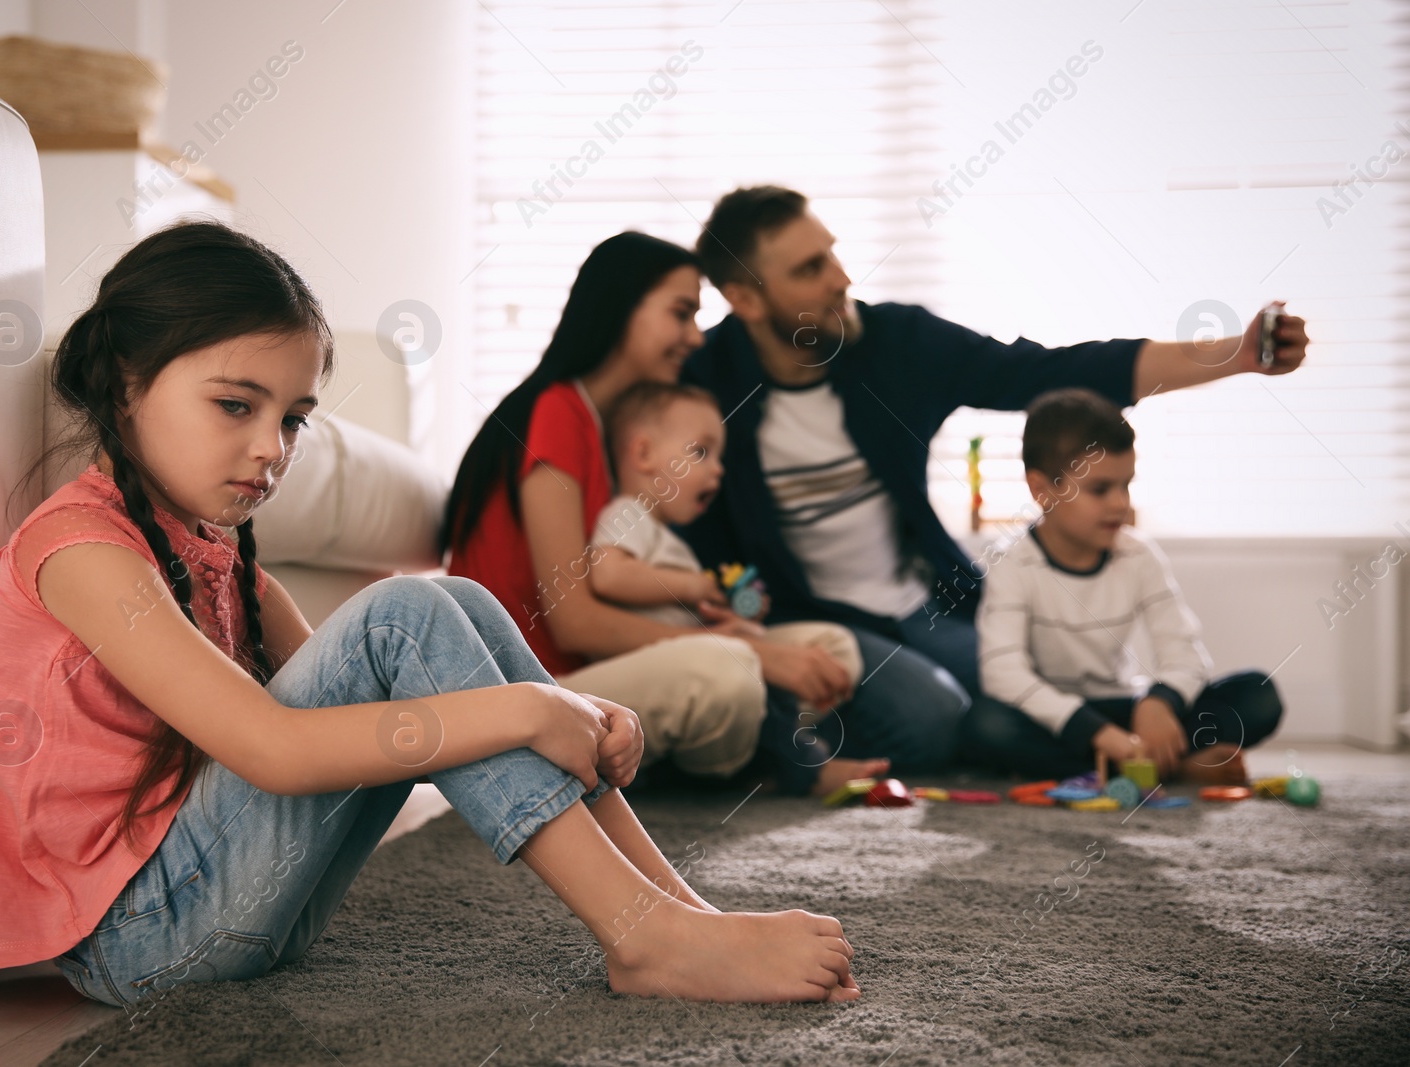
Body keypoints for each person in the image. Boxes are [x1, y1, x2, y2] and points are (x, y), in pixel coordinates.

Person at [0, 220, 859, 1011]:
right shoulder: (80, 551)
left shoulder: (218, 551)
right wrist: (535, 712)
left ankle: (673, 913)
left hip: (232, 905)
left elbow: (367, 713)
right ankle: (644, 933)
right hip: (143, 940)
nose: (271, 448)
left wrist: (560, 715)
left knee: (452, 601)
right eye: (235, 404)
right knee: (401, 614)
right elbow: (278, 749)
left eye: (295, 418)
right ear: (124, 382)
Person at [675, 185, 1309, 773]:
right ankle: (1148, 754)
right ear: (746, 297)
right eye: (809, 269)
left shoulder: (897, 342)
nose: (842, 279)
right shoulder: (705, 380)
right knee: (936, 722)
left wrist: (1239, 352)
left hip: (933, 605)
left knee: (1028, 695)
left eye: (833, 256)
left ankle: (1145, 748)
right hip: (813, 620)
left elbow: (1051, 372)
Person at [443, 232, 860, 785]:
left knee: (829, 645)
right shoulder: (556, 412)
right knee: (724, 669)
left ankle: (708, 755)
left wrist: (726, 626)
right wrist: (742, 650)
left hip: (592, 674)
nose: (695, 337)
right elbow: (574, 622)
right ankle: (764, 764)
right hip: (534, 687)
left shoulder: (617, 427)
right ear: (620, 307)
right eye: (681, 313)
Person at [968, 388, 1283, 781]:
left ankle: (1128, 765)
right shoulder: (1011, 562)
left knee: (1256, 695)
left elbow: (1184, 654)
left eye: (1126, 484)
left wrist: (1159, 702)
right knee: (987, 725)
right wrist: (1095, 732)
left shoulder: (1139, 556)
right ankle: (1167, 769)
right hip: (1061, 721)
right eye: (1100, 489)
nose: (1120, 503)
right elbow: (1004, 674)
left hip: (1127, 709)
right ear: (1042, 491)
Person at [586, 380, 881, 796]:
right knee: (742, 664)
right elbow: (609, 574)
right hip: (661, 667)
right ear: (643, 454)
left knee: (824, 646)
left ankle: (759, 752)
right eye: (701, 452)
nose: (718, 469)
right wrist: (697, 585)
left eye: (719, 456)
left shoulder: (664, 536)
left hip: (693, 649)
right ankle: (806, 769)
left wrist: (738, 612)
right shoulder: (627, 513)